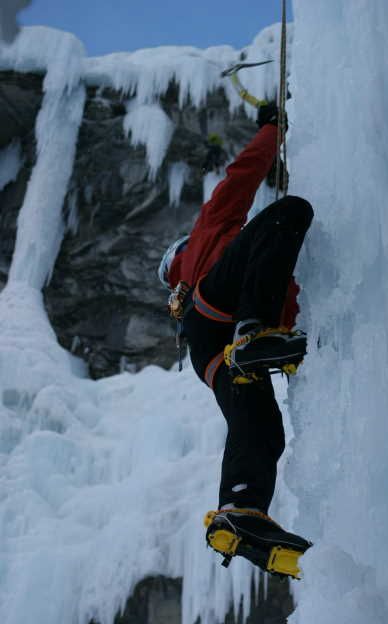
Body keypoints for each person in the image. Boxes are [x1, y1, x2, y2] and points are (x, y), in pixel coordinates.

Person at [158, 103, 314, 575]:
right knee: (290, 212)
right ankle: (253, 334)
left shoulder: (184, 299)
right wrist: (273, 128)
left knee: (260, 426)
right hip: (222, 310)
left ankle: (239, 511)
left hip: (211, 352)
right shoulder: (207, 232)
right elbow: (244, 174)